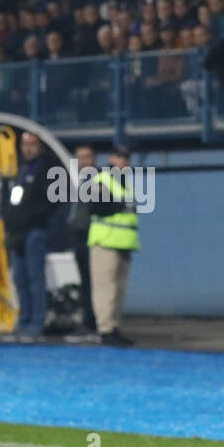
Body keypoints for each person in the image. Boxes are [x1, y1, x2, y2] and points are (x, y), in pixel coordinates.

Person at [3, 132, 58, 341]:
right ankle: (23, 322)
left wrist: (29, 220)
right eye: (25, 144)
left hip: (35, 231)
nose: (28, 149)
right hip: (18, 233)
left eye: (32, 144)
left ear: (40, 146)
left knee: (35, 278)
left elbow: (50, 203)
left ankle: (36, 325)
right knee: (20, 278)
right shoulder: (22, 170)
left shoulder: (47, 169)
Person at [87, 145, 139, 347]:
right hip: (105, 242)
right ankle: (105, 329)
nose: (124, 160)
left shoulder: (125, 183)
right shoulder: (102, 178)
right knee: (105, 289)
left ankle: (114, 327)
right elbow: (96, 206)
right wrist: (117, 202)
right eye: (119, 156)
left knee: (118, 290)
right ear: (110, 158)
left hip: (123, 244)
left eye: (126, 156)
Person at [64, 144, 99, 341]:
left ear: (94, 158)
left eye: (86, 157)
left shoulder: (99, 181)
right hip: (78, 237)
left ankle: (93, 324)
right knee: (85, 283)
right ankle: (88, 322)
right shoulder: (76, 181)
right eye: (80, 158)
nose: (83, 162)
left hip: (91, 237)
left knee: (93, 284)